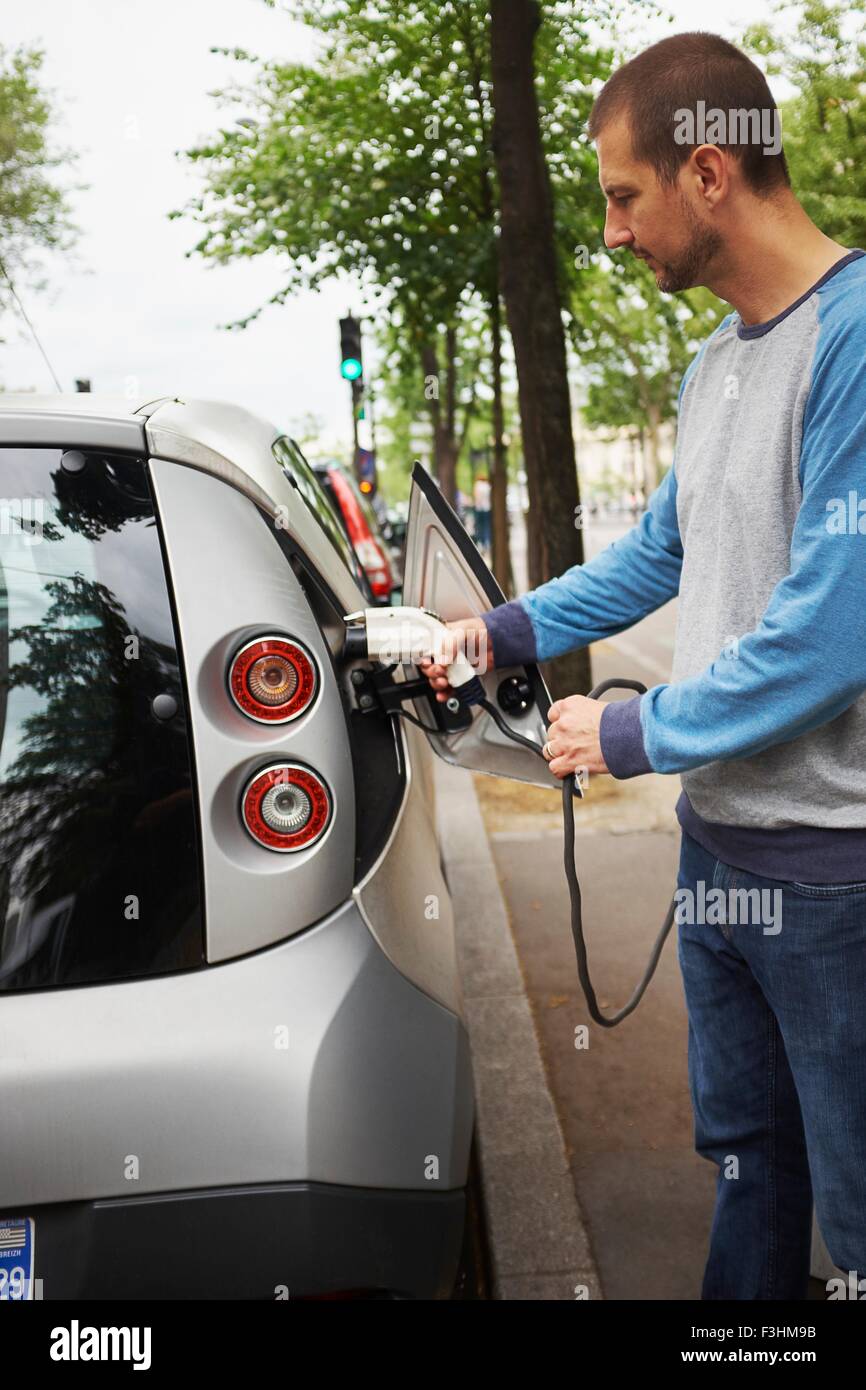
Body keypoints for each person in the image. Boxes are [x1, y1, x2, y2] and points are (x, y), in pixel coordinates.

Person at [421, 31, 866, 1301]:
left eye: (623, 195)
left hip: (835, 886)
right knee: (745, 1169)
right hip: (719, 852)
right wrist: (497, 629)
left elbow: (833, 636)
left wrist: (630, 732)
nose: (610, 231)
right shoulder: (714, 361)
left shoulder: (850, 343)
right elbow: (654, 556)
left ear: (708, 173)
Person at [472, 473, 491, 551]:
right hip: (487, 508)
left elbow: (477, 496)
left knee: (479, 526)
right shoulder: (487, 485)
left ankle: (481, 543)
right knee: (486, 526)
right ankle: (487, 543)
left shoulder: (477, 485)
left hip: (479, 508)